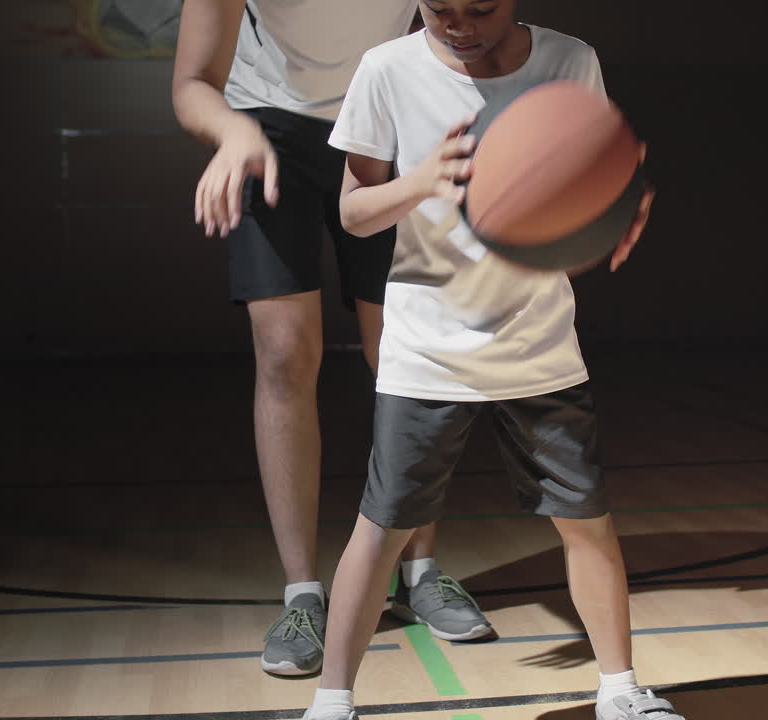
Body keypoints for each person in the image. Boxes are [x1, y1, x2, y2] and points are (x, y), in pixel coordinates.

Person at [302, 0, 680, 718]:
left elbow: (598, 169)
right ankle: (331, 703)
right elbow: (353, 213)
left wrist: (618, 198)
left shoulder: (570, 61)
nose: (459, 23)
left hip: (538, 340)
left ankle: (621, 692)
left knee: (587, 522)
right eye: (439, 7)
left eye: (480, 7)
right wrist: (422, 181)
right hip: (428, 347)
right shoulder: (387, 70)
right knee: (380, 532)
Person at [171, 0, 492, 678]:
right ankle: (302, 595)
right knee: (285, 353)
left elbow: (464, 24)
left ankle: (420, 570)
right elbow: (193, 82)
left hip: (383, 123)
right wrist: (231, 132)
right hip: (266, 127)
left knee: (405, 352)